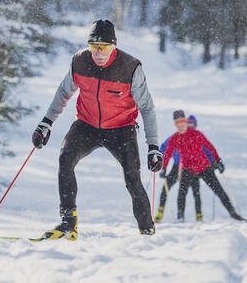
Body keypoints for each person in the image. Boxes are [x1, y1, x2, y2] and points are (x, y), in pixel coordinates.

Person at [31, 20, 162, 239]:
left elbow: (147, 107)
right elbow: (64, 92)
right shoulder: (80, 62)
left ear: (114, 46)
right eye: (94, 46)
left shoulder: (130, 67)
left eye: (104, 47)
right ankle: (68, 223)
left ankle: (147, 230)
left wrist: (154, 147)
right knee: (65, 159)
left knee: (132, 179)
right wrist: (46, 123)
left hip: (122, 128)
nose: (99, 53)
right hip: (87, 125)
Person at [161, 111, 246, 222]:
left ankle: (233, 213)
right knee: (182, 193)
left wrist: (218, 161)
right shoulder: (175, 138)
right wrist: (164, 168)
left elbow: (209, 147)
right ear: (175, 125)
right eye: (177, 123)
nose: (180, 125)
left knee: (219, 190)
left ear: (186, 122)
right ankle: (180, 217)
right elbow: (167, 154)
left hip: (203, 167)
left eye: (182, 122)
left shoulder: (196, 134)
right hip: (187, 169)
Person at [154, 113, 208, 222]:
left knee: (195, 191)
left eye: (193, 125)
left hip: (190, 168)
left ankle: (198, 215)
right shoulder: (175, 137)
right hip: (176, 167)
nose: (191, 127)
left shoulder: (195, 137)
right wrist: (158, 159)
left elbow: (205, 150)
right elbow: (164, 148)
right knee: (166, 187)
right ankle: (160, 211)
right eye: (189, 124)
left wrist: (211, 162)